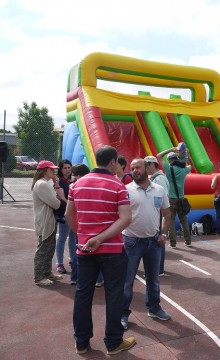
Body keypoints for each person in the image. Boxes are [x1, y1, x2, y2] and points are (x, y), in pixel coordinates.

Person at [66, 145, 135, 355]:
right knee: (114, 295)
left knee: (83, 294)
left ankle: (81, 342)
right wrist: (101, 238)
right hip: (112, 250)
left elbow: (70, 215)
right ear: (113, 162)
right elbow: (126, 218)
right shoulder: (118, 185)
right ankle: (114, 342)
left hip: (85, 250)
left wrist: (86, 237)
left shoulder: (77, 184)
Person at [121, 159, 172, 331]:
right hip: (131, 242)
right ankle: (122, 314)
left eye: (138, 167)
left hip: (154, 241)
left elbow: (166, 213)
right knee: (127, 281)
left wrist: (164, 233)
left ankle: (154, 308)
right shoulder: (126, 190)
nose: (134, 170)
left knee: (153, 279)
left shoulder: (159, 190)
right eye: (132, 168)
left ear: (146, 169)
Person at [32, 160, 67, 286]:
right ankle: (39, 277)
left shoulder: (46, 183)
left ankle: (47, 272)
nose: (54, 171)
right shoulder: (42, 184)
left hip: (49, 219)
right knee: (44, 248)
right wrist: (58, 196)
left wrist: (55, 184)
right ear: (44, 170)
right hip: (45, 220)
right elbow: (55, 203)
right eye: (51, 169)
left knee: (49, 247)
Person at [157, 147, 192, 248]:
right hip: (181, 198)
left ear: (169, 160)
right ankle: (188, 241)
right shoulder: (184, 170)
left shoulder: (168, 168)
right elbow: (191, 165)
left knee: (171, 221)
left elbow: (158, 156)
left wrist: (170, 149)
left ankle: (173, 243)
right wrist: (188, 155)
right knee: (183, 220)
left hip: (170, 199)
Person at [145, 155, 169, 276]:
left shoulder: (158, 179)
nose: (146, 168)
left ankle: (158, 269)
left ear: (152, 165)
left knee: (158, 241)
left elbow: (162, 198)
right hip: (157, 213)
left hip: (158, 214)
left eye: (147, 165)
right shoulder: (157, 178)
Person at [68, 164, 90, 286]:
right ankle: (98, 279)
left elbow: (69, 212)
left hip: (79, 222)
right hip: (89, 222)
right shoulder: (92, 185)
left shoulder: (74, 186)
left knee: (79, 250)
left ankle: (75, 277)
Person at [55, 159, 76, 275]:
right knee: (62, 237)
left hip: (74, 213)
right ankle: (59, 263)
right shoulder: (59, 181)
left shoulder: (75, 179)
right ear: (60, 169)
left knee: (73, 236)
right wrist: (73, 205)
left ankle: (72, 259)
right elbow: (62, 197)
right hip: (63, 212)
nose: (67, 170)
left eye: (69, 167)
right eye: (65, 168)